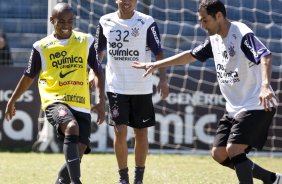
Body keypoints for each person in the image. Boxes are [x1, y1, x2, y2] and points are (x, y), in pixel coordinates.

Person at [132, 0, 281, 183]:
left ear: (219, 15)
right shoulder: (214, 39)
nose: (202, 25)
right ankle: (272, 179)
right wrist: (156, 64)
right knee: (219, 153)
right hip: (235, 108)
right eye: (200, 20)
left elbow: (265, 55)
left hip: (257, 103)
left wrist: (265, 85)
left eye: (205, 20)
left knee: (234, 149)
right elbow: (189, 55)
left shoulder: (241, 33)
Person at [5, 3, 105, 184]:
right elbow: (28, 76)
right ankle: (77, 182)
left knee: (80, 149)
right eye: (61, 22)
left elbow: (98, 71)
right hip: (55, 101)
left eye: (70, 21)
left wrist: (101, 101)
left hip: (81, 102)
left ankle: (61, 181)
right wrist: (12, 100)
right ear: (52, 21)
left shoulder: (86, 41)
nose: (66, 25)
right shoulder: (41, 47)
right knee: (71, 127)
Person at [95, 0, 169, 183]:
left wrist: (163, 79)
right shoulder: (105, 21)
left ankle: (138, 178)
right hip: (116, 86)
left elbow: (158, 52)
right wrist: (92, 71)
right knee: (120, 131)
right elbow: (99, 52)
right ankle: (123, 178)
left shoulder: (147, 22)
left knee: (141, 132)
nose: (127, 1)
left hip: (141, 86)